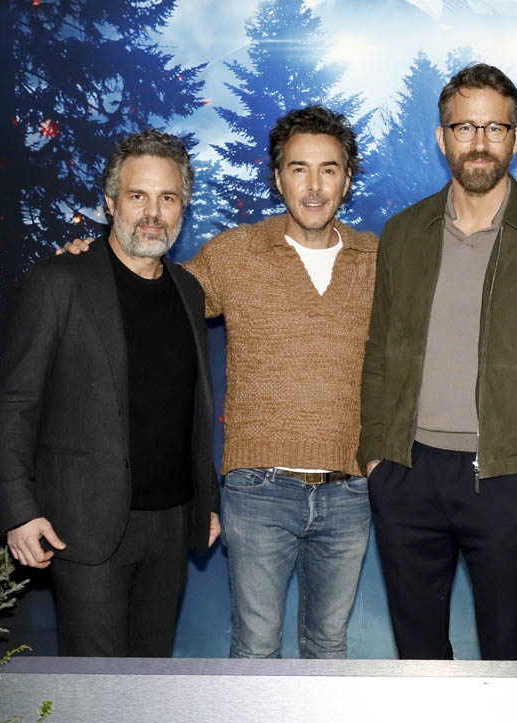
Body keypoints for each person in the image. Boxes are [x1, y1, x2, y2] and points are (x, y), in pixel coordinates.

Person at [358, 64, 517, 660]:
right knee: (418, 663)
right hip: (406, 474)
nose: (480, 142)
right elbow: (379, 351)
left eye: (495, 127)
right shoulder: (404, 233)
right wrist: (376, 459)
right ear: (442, 138)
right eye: (465, 127)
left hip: (505, 480)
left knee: (509, 658)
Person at [0, 129, 220, 658]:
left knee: (151, 681)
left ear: (182, 208)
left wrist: (205, 502)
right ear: (110, 202)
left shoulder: (189, 291)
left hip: (171, 527)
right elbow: (15, 405)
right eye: (138, 196)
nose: (153, 213)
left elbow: (190, 409)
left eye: (167, 198)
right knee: (94, 688)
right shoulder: (59, 281)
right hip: (84, 526)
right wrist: (19, 511)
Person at [186, 105, 376, 659]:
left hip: (350, 491)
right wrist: (96, 261)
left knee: (328, 647)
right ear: (277, 177)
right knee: (255, 649)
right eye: (298, 169)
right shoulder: (233, 253)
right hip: (257, 490)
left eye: (328, 169)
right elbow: (153, 297)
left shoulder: (378, 260)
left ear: (347, 179)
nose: (314, 186)